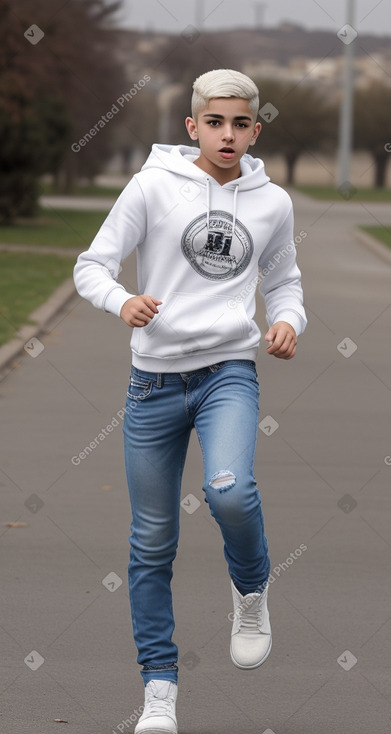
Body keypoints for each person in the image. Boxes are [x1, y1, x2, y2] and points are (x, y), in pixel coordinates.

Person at [73, 68, 307, 734]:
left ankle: (251, 588)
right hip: (151, 383)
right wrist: (124, 300)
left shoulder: (272, 203)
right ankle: (158, 691)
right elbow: (92, 265)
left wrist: (288, 321)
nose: (227, 135)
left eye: (240, 124)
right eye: (215, 122)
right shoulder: (151, 186)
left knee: (229, 490)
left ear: (255, 130)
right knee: (151, 542)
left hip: (226, 370)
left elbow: (285, 282)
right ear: (192, 127)